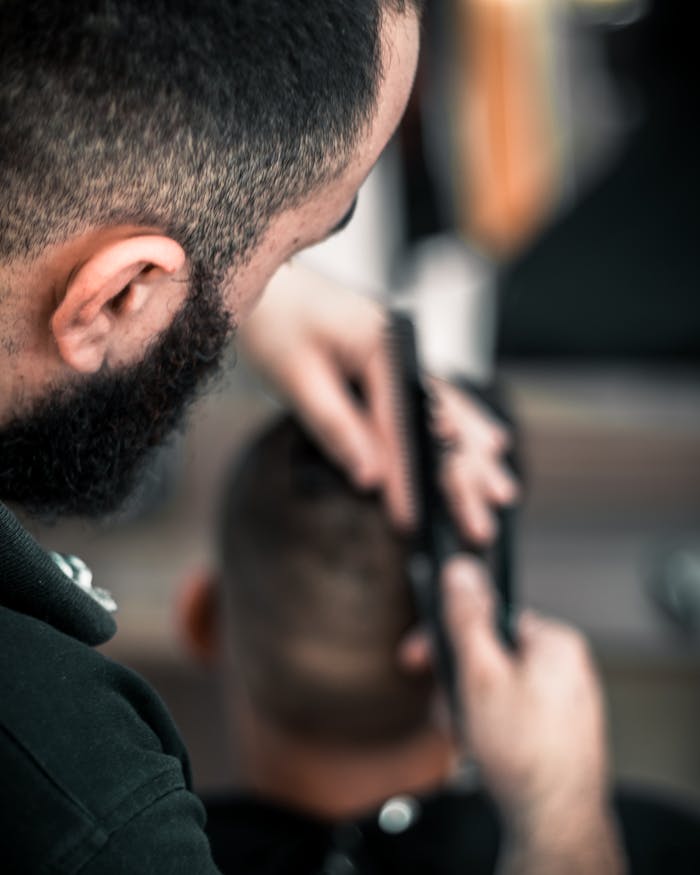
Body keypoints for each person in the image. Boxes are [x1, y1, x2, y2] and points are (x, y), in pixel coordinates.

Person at [0, 1, 617, 872]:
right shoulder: (91, 816)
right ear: (121, 293)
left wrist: (211, 277)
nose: (278, 293)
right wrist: (562, 819)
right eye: (297, 246)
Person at [179, 412, 627, 875]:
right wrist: (562, 817)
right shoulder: (652, 847)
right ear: (476, 656)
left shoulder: (123, 853)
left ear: (199, 619)